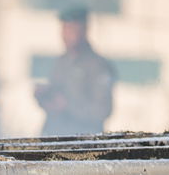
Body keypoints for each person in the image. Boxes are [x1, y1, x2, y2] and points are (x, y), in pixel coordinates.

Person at [34, 7, 114, 136]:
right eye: (64, 29)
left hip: (83, 140)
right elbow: (55, 101)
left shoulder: (98, 66)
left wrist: (67, 106)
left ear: (84, 30)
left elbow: (102, 111)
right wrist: (44, 96)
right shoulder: (61, 62)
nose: (65, 35)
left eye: (71, 29)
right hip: (54, 135)